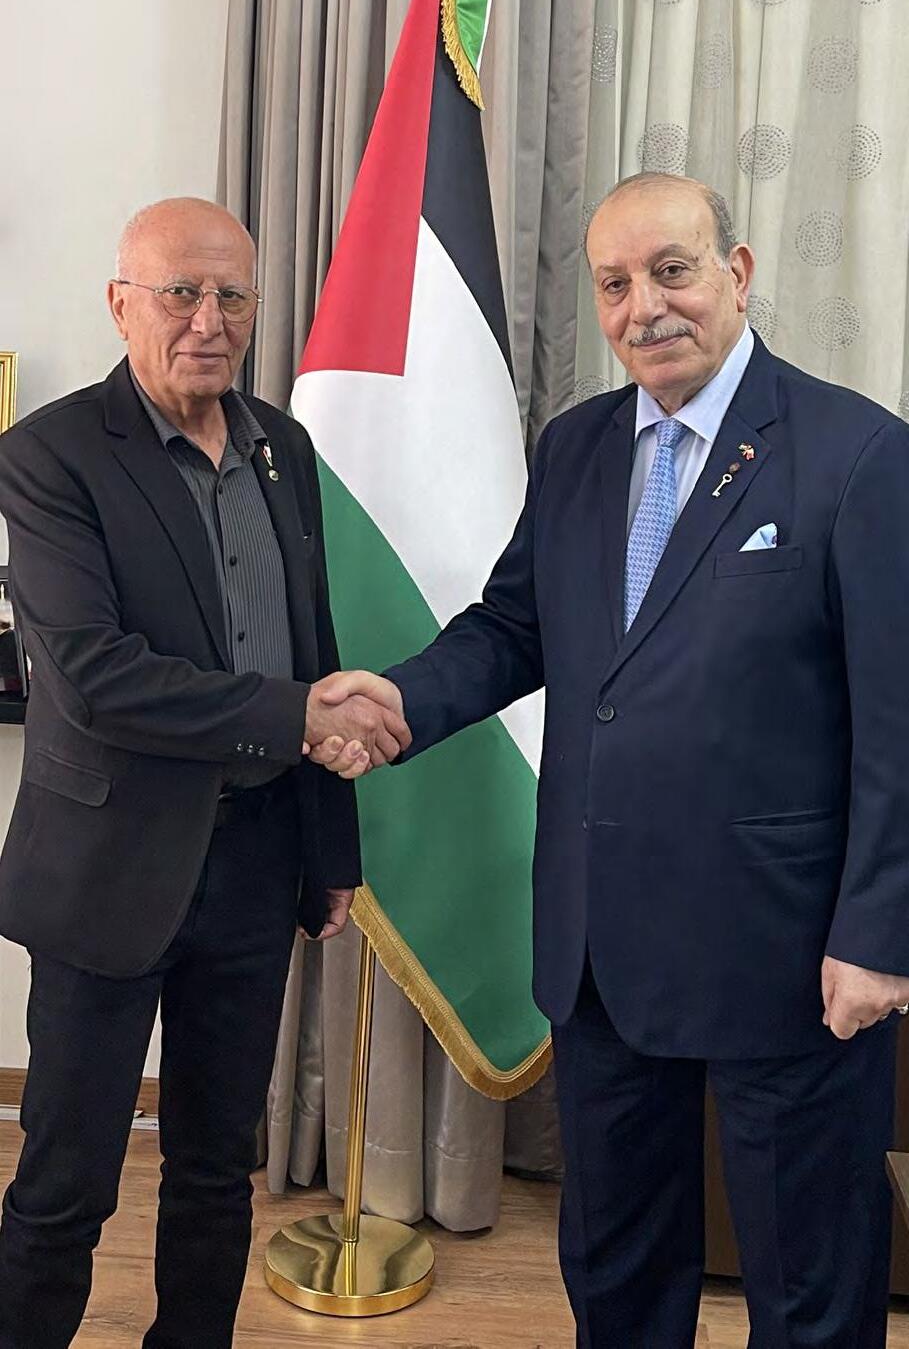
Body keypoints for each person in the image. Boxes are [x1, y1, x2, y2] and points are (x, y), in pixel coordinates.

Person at [309, 172, 909, 1347]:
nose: (645, 306)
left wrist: (880, 933)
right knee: (616, 1271)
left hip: (788, 955)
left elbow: (898, 716)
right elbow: (515, 628)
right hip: (602, 950)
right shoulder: (578, 446)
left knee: (810, 1285)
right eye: (616, 283)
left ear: (737, 273)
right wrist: (401, 698)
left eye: (672, 271)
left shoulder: (859, 452)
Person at [0, 197, 409, 1349]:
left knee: (219, 1167)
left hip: (257, 862)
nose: (208, 320)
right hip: (107, 869)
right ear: (121, 302)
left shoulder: (283, 445)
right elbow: (96, 678)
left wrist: (330, 850)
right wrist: (296, 713)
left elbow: (311, 642)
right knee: (66, 1181)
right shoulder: (48, 454)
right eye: (180, 292)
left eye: (232, 294)